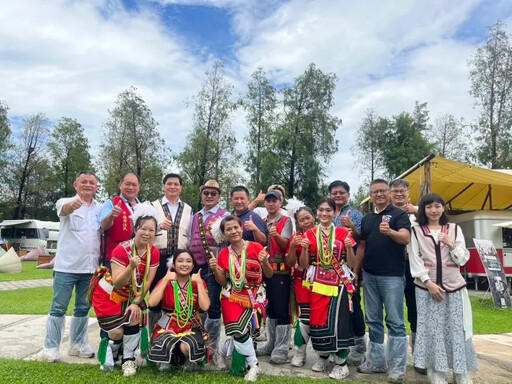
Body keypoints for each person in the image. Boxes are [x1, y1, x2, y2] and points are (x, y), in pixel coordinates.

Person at [408, 194, 477, 384]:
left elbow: (463, 259)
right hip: (426, 288)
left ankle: (461, 371)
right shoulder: (416, 231)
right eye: (429, 207)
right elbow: (415, 259)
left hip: (453, 286)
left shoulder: (454, 229)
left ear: (443, 208)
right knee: (431, 328)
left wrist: (450, 244)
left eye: (437, 206)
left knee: (457, 328)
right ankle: (436, 371)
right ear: (423, 210)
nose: (434, 210)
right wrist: (427, 282)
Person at [37, 172, 102, 363]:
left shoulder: (100, 208)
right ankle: (50, 346)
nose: (88, 185)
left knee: (83, 307)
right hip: (67, 266)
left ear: (96, 186)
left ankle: (78, 344)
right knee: (59, 307)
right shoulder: (65, 202)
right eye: (84, 182)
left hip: (90, 268)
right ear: (76, 185)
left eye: (92, 182)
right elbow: (63, 211)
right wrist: (71, 207)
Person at [88, 202, 159, 376]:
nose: (147, 233)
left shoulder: (153, 252)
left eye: (151, 230)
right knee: (118, 332)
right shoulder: (122, 250)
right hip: (110, 295)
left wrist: (136, 303)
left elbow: (148, 282)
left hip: (132, 295)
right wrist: (131, 267)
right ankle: (111, 354)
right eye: (143, 229)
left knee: (134, 317)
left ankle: (129, 360)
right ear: (135, 228)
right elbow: (118, 283)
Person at [355, 179, 411, 384]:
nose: (378, 194)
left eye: (382, 191)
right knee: (373, 320)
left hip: (393, 276)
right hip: (370, 275)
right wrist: (357, 271)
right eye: (374, 192)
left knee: (395, 321)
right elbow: (362, 244)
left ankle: (397, 367)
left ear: (388, 193)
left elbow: (405, 238)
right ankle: (376, 361)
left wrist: (390, 232)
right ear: (370, 195)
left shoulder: (399, 214)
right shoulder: (368, 218)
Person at [209, 215, 273, 382]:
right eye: (228, 229)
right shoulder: (223, 254)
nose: (233, 231)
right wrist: (216, 269)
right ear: (224, 234)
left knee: (246, 333)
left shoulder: (256, 247)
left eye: (235, 227)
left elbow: (269, 274)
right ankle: (254, 365)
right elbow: (223, 282)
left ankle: (221, 353)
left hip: (255, 297)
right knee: (239, 330)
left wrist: (265, 262)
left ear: (241, 228)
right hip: (232, 297)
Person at [299, 198, 356, 380]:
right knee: (318, 320)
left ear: (334, 212)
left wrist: (349, 248)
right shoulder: (309, 234)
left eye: (328, 210)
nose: (324, 214)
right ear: (317, 212)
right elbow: (303, 264)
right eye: (321, 210)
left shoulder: (342, 233)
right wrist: (305, 249)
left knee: (338, 321)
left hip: (338, 281)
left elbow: (352, 263)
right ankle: (323, 356)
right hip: (316, 282)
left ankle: (341, 363)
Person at [188, 179, 228, 368]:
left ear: (219, 196)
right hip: (196, 267)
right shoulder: (195, 216)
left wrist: (219, 265)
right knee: (196, 306)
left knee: (212, 307)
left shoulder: (224, 215)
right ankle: (197, 347)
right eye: (206, 193)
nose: (209, 196)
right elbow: (190, 238)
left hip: (214, 267)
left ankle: (213, 349)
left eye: (213, 193)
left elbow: (228, 242)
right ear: (202, 195)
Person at [148, 250, 210, 370]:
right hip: (168, 324)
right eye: (180, 261)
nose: (184, 264)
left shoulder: (198, 282)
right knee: (164, 344)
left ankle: (188, 359)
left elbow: (205, 307)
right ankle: (169, 360)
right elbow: (151, 303)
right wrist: (166, 279)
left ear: (193, 265)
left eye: (188, 261)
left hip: (191, 324)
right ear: (174, 265)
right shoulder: (166, 281)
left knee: (188, 346)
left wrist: (199, 283)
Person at [389, 179, 426, 374]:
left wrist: (416, 211)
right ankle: (394, 356)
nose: (398, 194)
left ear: (407, 193)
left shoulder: (418, 214)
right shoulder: (385, 214)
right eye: (395, 191)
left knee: (415, 310)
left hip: (413, 267)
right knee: (393, 313)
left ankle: (419, 356)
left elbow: (440, 218)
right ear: (389, 193)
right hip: (391, 268)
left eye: (401, 191)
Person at [328, 180, 366, 366]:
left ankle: (359, 346)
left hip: (348, 269)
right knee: (334, 307)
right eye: (334, 193)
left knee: (354, 307)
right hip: (328, 271)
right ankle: (337, 343)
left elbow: (361, 242)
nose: (338, 196)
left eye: (341, 192)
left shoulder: (356, 215)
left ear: (348, 195)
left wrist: (356, 271)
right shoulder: (326, 214)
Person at [150, 173, 193, 331]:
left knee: (178, 296)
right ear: (164, 186)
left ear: (181, 188)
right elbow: (143, 230)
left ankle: (176, 332)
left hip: (180, 260)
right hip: (158, 257)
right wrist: (160, 226)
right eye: (169, 184)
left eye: (176, 184)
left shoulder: (188, 209)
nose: (173, 187)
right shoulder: (153, 206)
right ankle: (154, 339)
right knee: (156, 295)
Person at [256, 191, 292, 364]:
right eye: (268, 201)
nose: (271, 204)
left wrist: (276, 234)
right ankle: (271, 343)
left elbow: (286, 243)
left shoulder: (286, 220)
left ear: (280, 202)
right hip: (264, 270)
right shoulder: (262, 222)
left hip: (281, 270)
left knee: (282, 309)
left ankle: (283, 347)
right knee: (269, 308)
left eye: (274, 201)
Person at [287, 206, 316, 367]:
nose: (306, 222)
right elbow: (290, 263)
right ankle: (300, 352)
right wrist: (292, 247)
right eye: (301, 220)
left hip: (324, 282)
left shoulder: (324, 233)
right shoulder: (296, 237)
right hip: (302, 281)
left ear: (314, 216)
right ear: (297, 222)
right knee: (304, 317)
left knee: (323, 318)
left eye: (308, 218)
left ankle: (325, 352)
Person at [99, 173, 141, 270]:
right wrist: (111, 216)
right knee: (113, 284)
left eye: (134, 185)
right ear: (120, 185)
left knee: (136, 285)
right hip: (115, 256)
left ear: (139, 187)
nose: (131, 187)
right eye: (127, 184)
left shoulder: (143, 206)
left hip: (138, 257)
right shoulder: (112, 203)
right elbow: (103, 226)